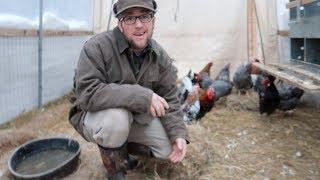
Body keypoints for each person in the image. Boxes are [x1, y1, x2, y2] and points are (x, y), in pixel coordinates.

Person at [69, 0, 190, 179]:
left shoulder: (159, 55)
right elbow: (87, 93)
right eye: (129, 18)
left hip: (136, 117)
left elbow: (170, 98)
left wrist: (178, 133)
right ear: (120, 24)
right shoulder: (97, 47)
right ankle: (115, 168)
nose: (139, 24)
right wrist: (141, 96)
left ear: (153, 21)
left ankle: (124, 151)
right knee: (116, 120)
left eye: (145, 16)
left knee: (167, 149)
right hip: (96, 116)